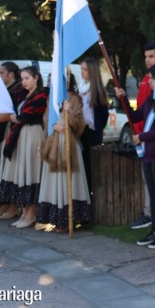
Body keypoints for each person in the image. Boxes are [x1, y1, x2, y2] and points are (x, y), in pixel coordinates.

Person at [117, 65, 155, 249]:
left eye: (152, 78)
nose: (149, 82)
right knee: (153, 193)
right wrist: (123, 98)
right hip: (149, 154)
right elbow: (134, 116)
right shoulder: (150, 101)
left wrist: (142, 137)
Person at [37, 76, 92, 230]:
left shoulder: (74, 99)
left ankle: (71, 218)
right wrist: (53, 126)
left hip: (70, 144)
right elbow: (46, 119)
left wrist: (68, 114)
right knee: (55, 181)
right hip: (54, 144)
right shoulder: (51, 98)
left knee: (71, 181)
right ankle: (57, 218)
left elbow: (80, 125)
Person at [0, 66, 47, 228]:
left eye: (27, 78)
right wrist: (16, 118)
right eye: (23, 78)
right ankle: (25, 212)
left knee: (31, 171)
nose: (24, 82)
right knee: (24, 172)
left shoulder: (41, 95)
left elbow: (26, 116)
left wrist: (16, 118)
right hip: (23, 134)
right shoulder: (27, 96)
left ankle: (31, 213)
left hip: (33, 134)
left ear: (36, 78)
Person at [0, 62, 23, 218]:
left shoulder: (18, 90)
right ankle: (2, 204)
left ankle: (12, 206)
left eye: (1, 72)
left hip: (8, 131)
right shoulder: (0, 89)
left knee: (7, 169)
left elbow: (11, 114)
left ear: (11, 74)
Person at [129, 42, 155, 230]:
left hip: (152, 139)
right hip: (142, 135)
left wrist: (144, 135)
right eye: (146, 56)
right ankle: (150, 212)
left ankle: (154, 214)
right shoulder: (146, 79)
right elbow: (140, 110)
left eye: (151, 56)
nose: (147, 60)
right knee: (148, 178)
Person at [80, 57, 109, 198]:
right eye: (81, 69)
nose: (82, 72)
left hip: (92, 132)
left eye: (85, 69)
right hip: (81, 131)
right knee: (83, 165)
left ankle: (93, 198)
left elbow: (104, 114)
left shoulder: (97, 90)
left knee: (91, 166)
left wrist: (97, 128)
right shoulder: (80, 87)